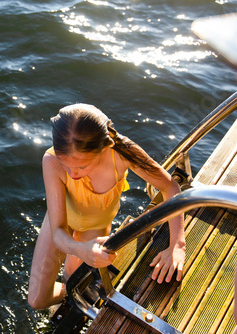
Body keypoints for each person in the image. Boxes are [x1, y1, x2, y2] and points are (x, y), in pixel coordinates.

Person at [28, 103, 186, 310]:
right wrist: (78, 249)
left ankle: (74, 292)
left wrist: (177, 245)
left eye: (82, 166)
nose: (72, 174)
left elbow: (171, 187)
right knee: (37, 301)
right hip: (60, 223)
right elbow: (58, 231)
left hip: (95, 228)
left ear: (105, 147)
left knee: (71, 278)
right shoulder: (51, 161)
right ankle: (74, 293)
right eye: (66, 165)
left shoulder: (123, 153)